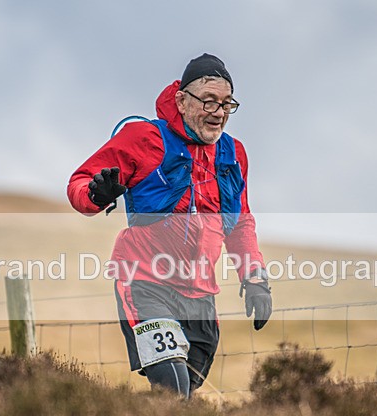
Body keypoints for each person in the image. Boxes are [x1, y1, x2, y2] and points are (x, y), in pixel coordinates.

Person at [67, 53, 271, 398]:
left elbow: (240, 224)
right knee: (173, 389)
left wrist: (255, 278)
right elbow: (79, 185)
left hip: (201, 295)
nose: (218, 112)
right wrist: (96, 193)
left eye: (226, 104)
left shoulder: (234, 153)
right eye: (208, 101)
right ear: (182, 100)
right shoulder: (144, 137)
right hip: (146, 282)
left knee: (186, 395)